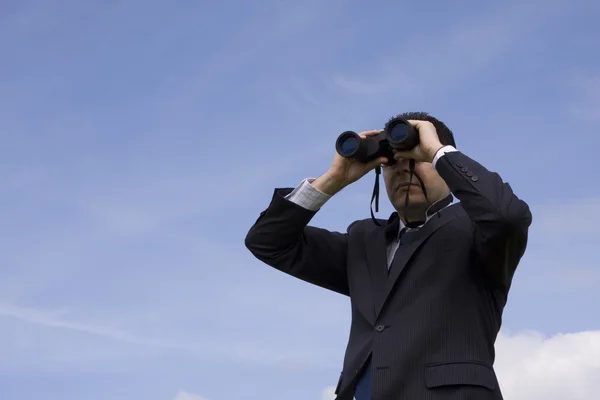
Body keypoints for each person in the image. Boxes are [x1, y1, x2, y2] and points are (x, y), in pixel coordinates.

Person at [244, 112, 532, 400]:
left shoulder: (479, 233)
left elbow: (508, 216)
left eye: (417, 160)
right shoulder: (363, 241)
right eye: (393, 163)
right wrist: (332, 180)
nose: (404, 170)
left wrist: (438, 152)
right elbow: (268, 242)